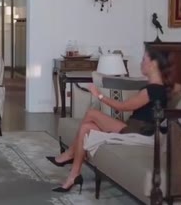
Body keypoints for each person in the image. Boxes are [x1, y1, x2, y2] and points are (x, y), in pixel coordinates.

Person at [47, 47, 172, 193]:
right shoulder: (156, 88)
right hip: (134, 127)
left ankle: (69, 154)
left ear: (154, 64)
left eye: (144, 59)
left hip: (140, 131)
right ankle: (74, 176)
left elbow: (123, 106)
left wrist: (99, 95)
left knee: (92, 114)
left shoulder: (154, 90)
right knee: (86, 128)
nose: (141, 63)